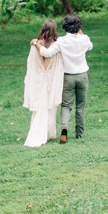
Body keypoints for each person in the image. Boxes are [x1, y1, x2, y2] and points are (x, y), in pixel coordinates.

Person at [37, 14, 92, 143]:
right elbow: (90, 46)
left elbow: (46, 53)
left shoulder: (62, 41)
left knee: (66, 105)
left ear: (65, 26)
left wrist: (36, 43)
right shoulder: (85, 39)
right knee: (80, 105)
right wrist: (80, 32)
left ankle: (64, 129)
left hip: (67, 77)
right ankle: (79, 133)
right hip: (82, 76)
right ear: (79, 26)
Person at [23, 19, 65, 147]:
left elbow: (33, 64)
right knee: (48, 106)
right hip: (50, 78)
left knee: (42, 105)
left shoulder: (36, 44)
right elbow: (51, 64)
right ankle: (45, 132)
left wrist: (35, 42)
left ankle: (47, 132)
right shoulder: (56, 45)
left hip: (39, 78)